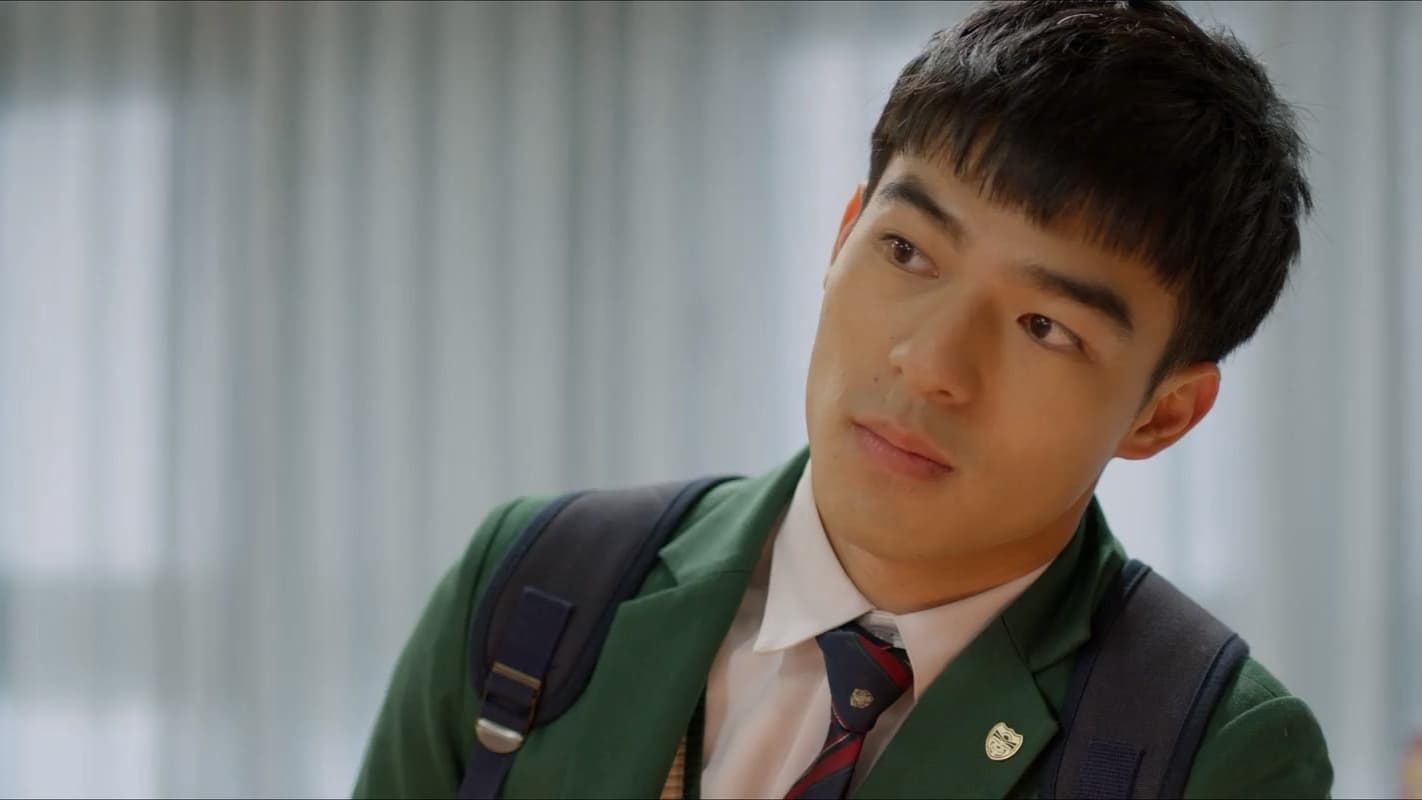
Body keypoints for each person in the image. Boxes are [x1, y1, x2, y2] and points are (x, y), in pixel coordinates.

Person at [353, 1, 1333, 797]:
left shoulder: (1211, 753)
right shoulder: (537, 586)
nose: (929, 362)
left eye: (1046, 326)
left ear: (1164, 413)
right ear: (842, 238)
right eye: (907, 251)